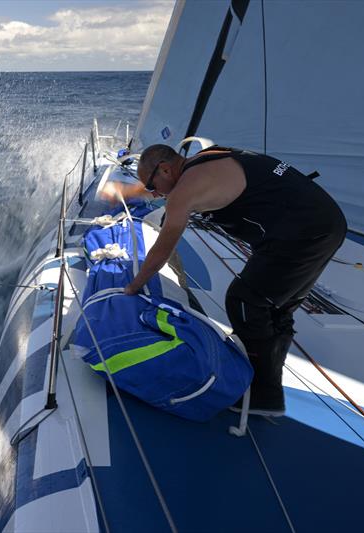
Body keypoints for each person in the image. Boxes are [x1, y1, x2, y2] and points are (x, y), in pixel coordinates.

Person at [120, 144, 347, 416]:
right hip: (329, 222)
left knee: (244, 301)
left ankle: (262, 395)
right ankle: (265, 388)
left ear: (166, 169)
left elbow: (162, 250)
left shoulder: (185, 190)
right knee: (276, 305)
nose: (154, 193)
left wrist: (134, 286)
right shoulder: (212, 156)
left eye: (151, 185)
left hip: (301, 233)